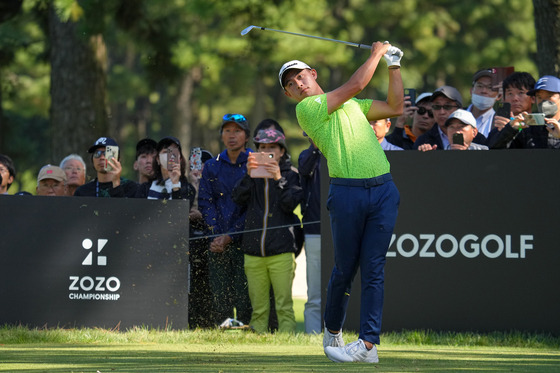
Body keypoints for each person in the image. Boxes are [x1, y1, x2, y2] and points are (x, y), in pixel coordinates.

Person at [280, 40, 403, 363]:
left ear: (313, 73)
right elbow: (357, 83)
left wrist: (394, 66)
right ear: (289, 95)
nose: (298, 84)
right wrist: (377, 52)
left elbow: (394, 107)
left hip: (383, 190)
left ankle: (368, 345)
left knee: (374, 269)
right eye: (291, 85)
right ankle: (333, 329)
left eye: (301, 76)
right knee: (345, 269)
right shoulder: (306, 109)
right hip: (347, 192)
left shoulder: (354, 105)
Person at [232, 128, 303, 333]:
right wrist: (247, 175)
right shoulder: (251, 175)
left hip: (281, 250)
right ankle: (258, 345)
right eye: (261, 147)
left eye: (271, 147)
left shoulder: (291, 174)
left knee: (284, 307)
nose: (266, 151)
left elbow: (291, 204)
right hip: (253, 251)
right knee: (259, 309)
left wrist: (278, 179)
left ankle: (288, 345)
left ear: (281, 151)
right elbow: (237, 198)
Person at [198, 114, 253, 326]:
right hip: (217, 241)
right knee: (220, 292)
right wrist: (216, 234)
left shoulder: (253, 163)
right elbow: (205, 201)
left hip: (244, 241)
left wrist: (230, 235)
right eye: (227, 131)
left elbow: (252, 207)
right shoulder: (212, 166)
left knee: (244, 291)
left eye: (237, 131)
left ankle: (246, 330)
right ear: (221, 136)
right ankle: (222, 329)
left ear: (246, 136)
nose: (232, 136)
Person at [488, 75, 560, 149]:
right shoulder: (527, 127)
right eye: (539, 97)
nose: (544, 101)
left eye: (549, 96)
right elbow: (496, 152)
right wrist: (509, 130)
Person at [188, 147, 215, 328]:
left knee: (210, 288)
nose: (199, 170)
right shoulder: (184, 186)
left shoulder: (215, 185)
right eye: (195, 166)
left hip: (210, 243)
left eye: (204, 166)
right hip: (190, 244)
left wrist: (202, 215)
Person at [298, 132, 322, 334]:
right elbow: (304, 170)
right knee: (314, 291)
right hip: (314, 231)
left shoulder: (341, 153)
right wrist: (316, 147)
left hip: (342, 230)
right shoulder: (307, 155)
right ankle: (312, 335)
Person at [134, 136, 196, 201]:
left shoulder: (188, 189)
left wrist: (175, 184)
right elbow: (139, 210)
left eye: (173, 152)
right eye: (165, 152)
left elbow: (179, 209)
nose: (169, 156)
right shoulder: (145, 188)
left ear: (180, 159)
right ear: (158, 159)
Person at [486, 72, 537, 148]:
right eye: (510, 93)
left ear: (533, 98)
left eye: (521, 93)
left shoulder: (540, 127)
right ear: (503, 99)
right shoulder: (498, 129)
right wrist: (507, 131)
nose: (515, 98)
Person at [413, 85, 464, 151]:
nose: (442, 112)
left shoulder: (474, 137)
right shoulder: (423, 142)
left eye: (447, 106)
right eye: (437, 107)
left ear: (460, 109)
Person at [467, 69, 499, 137]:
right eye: (480, 86)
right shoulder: (455, 116)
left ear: (499, 96)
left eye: (490, 87)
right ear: (471, 91)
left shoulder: (499, 124)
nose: (484, 91)